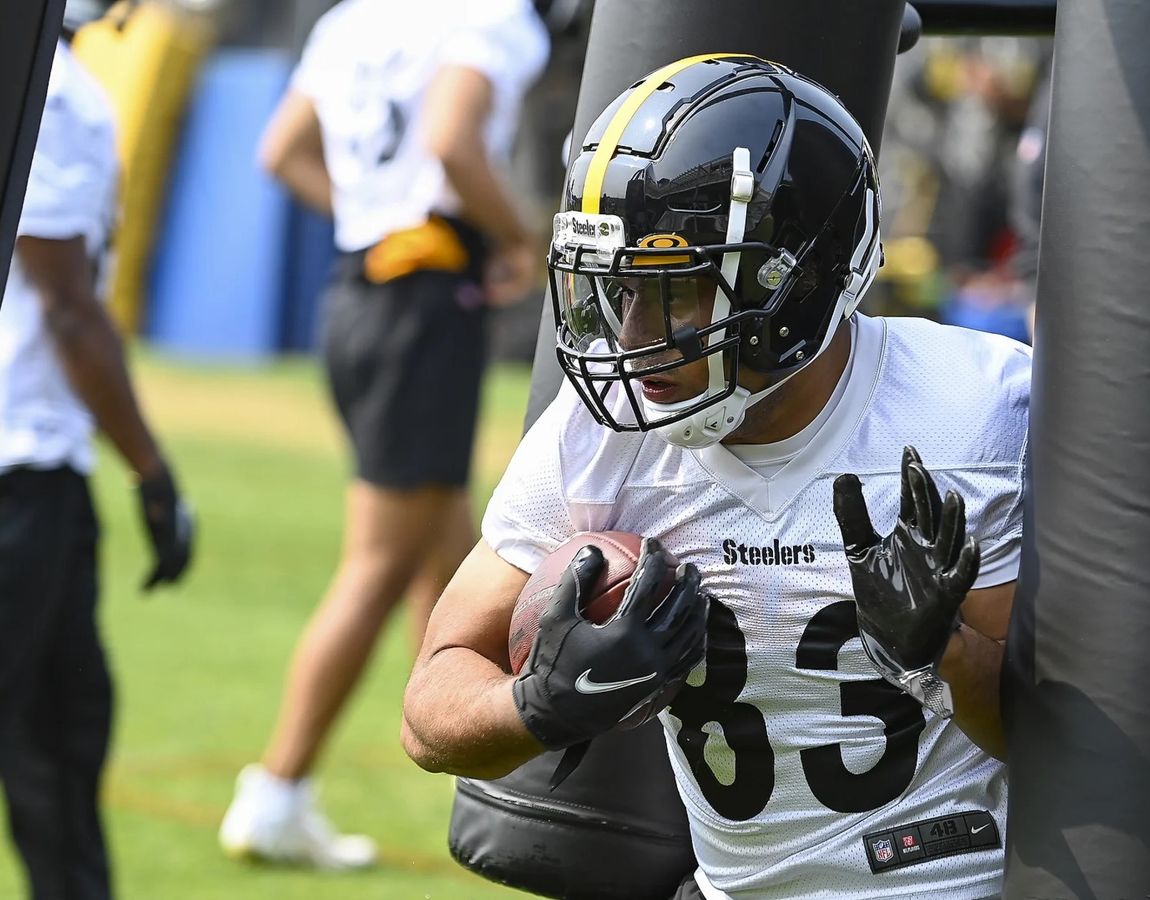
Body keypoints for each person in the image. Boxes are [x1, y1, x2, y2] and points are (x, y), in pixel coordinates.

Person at [402, 55, 1030, 899]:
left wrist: (945, 653)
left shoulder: (968, 416)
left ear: (798, 283)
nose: (630, 335)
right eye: (619, 289)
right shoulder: (600, 436)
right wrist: (537, 706)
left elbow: (1062, 743)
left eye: (677, 291)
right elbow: (430, 705)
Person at [218, 0, 548, 869]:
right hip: (422, 300)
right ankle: (277, 790)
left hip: (355, 291)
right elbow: (448, 138)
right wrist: (521, 236)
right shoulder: (494, 17)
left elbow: (281, 150)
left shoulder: (353, 16)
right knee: (377, 562)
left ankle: (479, 769)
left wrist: (371, 216)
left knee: (448, 544)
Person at [0, 11, 195, 898]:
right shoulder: (59, 95)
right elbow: (69, 309)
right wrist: (152, 473)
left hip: (42, 467)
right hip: (17, 467)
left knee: (65, 725)